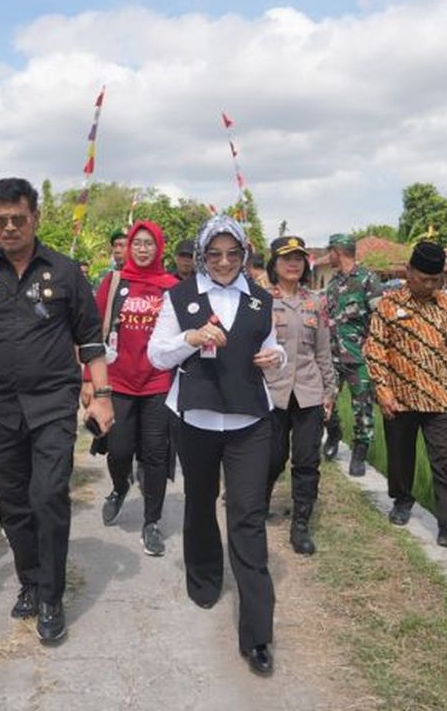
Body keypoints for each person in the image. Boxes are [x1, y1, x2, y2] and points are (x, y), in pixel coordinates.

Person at [0, 178, 114, 645]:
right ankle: (30, 580)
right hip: (0, 407)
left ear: (35, 218)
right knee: (13, 504)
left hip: (52, 404)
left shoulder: (66, 272)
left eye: (18, 218)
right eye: (0, 221)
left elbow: (90, 337)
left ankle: (52, 596)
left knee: (49, 494)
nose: (9, 227)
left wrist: (103, 394)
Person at [148, 214, 285, 676]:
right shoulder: (180, 297)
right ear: (202, 256)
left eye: (232, 253)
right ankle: (204, 579)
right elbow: (156, 353)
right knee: (200, 502)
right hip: (197, 418)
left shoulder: (260, 300)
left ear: (244, 255)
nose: (224, 262)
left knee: (247, 517)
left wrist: (275, 356)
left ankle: (258, 634)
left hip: (250, 421)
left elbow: (273, 347)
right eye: (214, 254)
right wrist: (190, 338)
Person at [364, 241, 447, 548]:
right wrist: (383, 392)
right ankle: (402, 500)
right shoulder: (387, 305)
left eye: (435, 280)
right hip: (399, 398)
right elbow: (374, 350)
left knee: (444, 459)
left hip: (440, 398)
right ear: (408, 271)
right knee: (401, 455)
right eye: (423, 278)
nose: (429, 285)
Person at [85, 220, 178, 556]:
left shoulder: (171, 287)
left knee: (155, 455)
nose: (141, 249)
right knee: (120, 450)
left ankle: (151, 522)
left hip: (159, 382)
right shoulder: (113, 283)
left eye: (148, 243)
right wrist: (88, 381)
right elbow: (91, 332)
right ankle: (119, 486)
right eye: (136, 243)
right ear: (127, 247)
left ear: (159, 247)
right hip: (118, 382)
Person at [263, 235, 336, 556]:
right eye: (286, 258)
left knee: (307, 460)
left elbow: (323, 351)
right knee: (272, 456)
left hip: (308, 392)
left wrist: (329, 391)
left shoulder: (315, 302)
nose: (293, 264)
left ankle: (301, 524)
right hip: (271, 393)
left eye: (299, 258)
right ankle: (259, 500)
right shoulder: (261, 299)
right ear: (274, 264)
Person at [321, 233, 382, 476]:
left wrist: (373, 346)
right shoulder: (333, 284)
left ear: (338, 251)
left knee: (363, 410)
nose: (329, 256)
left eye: (330, 251)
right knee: (323, 403)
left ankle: (359, 452)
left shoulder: (368, 279)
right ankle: (334, 432)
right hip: (332, 357)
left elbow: (380, 318)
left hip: (359, 359)